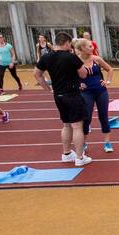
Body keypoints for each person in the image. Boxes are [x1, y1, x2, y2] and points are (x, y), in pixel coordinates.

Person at [34, 31, 91, 167]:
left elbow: (36, 74)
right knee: (77, 126)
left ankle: (66, 154)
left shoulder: (47, 57)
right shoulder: (71, 57)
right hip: (72, 94)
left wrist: (48, 89)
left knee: (66, 124)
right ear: (66, 43)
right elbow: (83, 74)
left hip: (58, 95)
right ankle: (79, 157)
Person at [74, 38, 115, 154]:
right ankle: (83, 143)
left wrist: (107, 82)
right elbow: (70, 76)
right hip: (86, 93)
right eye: (89, 46)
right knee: (86, 118)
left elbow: (110, 69)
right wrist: (77, 84)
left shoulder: (96, 59)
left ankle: (107, 142)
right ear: (82, 48)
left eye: (92, 46)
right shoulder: (75, 61)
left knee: (104, 116)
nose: (93, 48)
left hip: (101, 91)